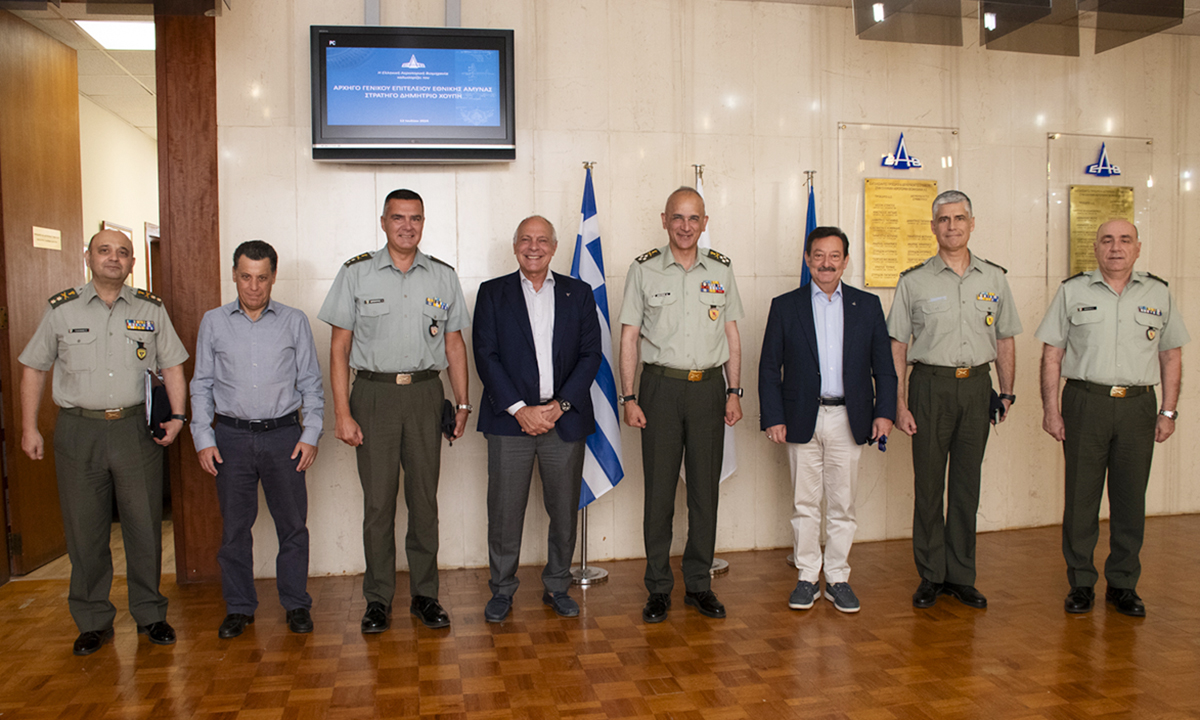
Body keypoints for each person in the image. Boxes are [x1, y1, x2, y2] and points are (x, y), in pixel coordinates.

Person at [18, 229, 188, 655]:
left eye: (123, 252)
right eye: (105, 250)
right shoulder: (61, 310)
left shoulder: (150, 309)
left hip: (134, 430)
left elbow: (173, 365)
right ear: (88, 257)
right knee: (85, 530)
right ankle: (93, 620)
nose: (114, 258)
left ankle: (150, 614)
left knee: (144, 526)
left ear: (132, 263)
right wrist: (28, 427)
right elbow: (34, 368)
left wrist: (178, 417)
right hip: (79, 431)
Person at [317, 188, 471, 632]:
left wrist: (462, 402)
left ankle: (425, 596)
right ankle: (378, 599)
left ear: (423, 223)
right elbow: (339, 347)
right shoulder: (356, 273)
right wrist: (342, 413)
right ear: (383, 222)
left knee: (424, 501)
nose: (407, 226)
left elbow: (454, 344)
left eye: (415, 218)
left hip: (425, 394)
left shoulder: (442, 276)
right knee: (378, 504)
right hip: (374, 395)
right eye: (398, 217)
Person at [1036, 219, 1188, 617]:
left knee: (1130, 499)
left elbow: (1171, 355)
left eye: (1124, 240)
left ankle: (1123, 584)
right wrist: (1051, 410)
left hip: (1138, 406)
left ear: (1138, 247)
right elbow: (1052, 354)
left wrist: (1168, 411)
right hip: (1086, 402)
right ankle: (1081, 583)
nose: (1115, 248)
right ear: (1096, 248)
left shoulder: (1158, 292)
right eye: (1107, 240)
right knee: (1080, 498)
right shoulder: (1072, 291)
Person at [887, 190, 1021, 610]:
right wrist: (899, 404)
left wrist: (1007, 391)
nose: (952, 226)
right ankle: (931, 574)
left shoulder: (994, 278)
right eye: (943, 219)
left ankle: (961, 575)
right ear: (933, 227)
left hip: (977, 387)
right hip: (930, 387)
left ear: (972, 223)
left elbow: (1005, 338)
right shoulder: (913, 281)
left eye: (959, 218)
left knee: (966, 486)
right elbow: (897, 345)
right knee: (928, 486)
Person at [619, 186, 745, 623]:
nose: (686, 226)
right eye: (678, 217)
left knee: (704, 492)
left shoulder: (722, 269)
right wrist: (629, 397)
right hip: (660, 390)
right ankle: (658, 587)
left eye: (694, 218)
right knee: (659, 494)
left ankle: (698, 584)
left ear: (705, 222)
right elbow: (629, 337)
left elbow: (731, 333)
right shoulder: (643, 269)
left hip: (708, 390)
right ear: (664, 220)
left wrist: (734, 390)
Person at [190, 240, 325, 638]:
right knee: (235, 529)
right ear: (234, 275)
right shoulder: (213, 322)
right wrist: (203, 437)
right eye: (246, 277)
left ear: (273, 277)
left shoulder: (294, 321)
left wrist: (311, 433)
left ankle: (296, 604)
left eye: (262, 278)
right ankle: (239, 607)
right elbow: (201, 384)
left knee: (293, 527)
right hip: (230, 438)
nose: (253, 286)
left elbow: (311, 383)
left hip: (284, 437)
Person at [759, 226, 896, 613]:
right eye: (818, 255)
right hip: (800, 417)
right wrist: (774, 417)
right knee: (804, 504)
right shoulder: (785, 306)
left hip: (849, 418)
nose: (826, 263)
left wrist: (884, 413)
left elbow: (884, 368)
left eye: (834, 256)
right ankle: (807, 577)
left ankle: (837, 578)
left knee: (842, 504)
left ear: (846, 261)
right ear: (807, 259)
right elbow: (769, 367)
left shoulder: (867, 306)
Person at [472, 215, 602, 622]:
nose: (534, 247)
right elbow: (485, 355)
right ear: (515, 247)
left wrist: (559, 406)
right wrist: (520, 409)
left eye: (542, 240)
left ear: (554, 247)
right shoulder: (492, 293)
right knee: (504, 511)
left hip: (563, 420)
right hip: (509, 422)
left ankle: (557, 586)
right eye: (526, 240)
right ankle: (502, 590)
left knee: (563, 512)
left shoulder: (579, 293)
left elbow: (591, 355)